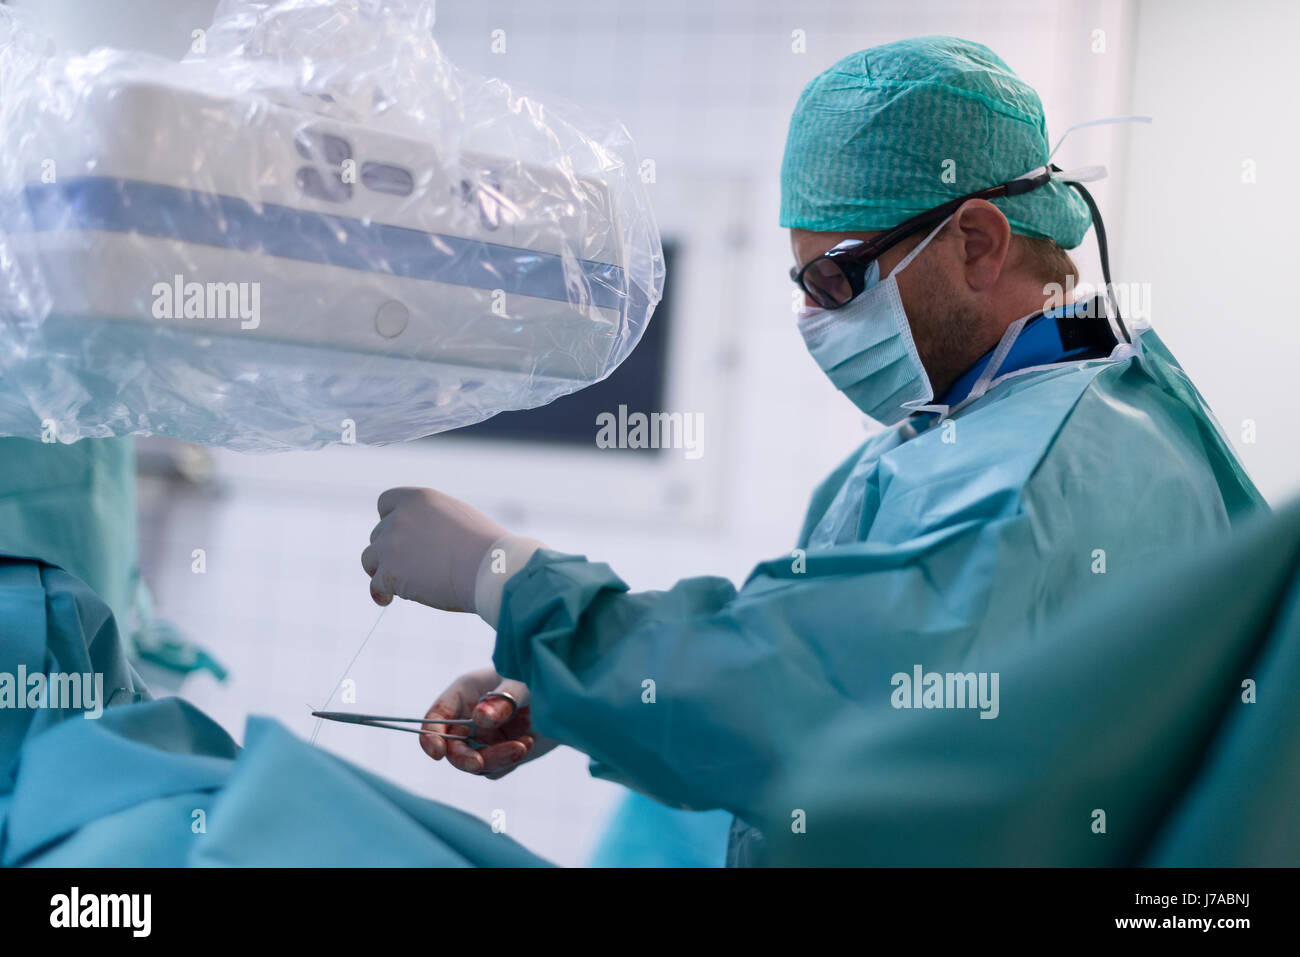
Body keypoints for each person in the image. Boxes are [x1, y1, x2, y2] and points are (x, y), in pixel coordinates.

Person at [360, 36, 1266, 866]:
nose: (814, 317)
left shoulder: (1028, 475)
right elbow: (803, 646)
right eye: (802, 284)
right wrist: (580, 688)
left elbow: (825, 709)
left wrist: (509, 581)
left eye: (835, 276)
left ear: (980, 244)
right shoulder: (1055, 411)